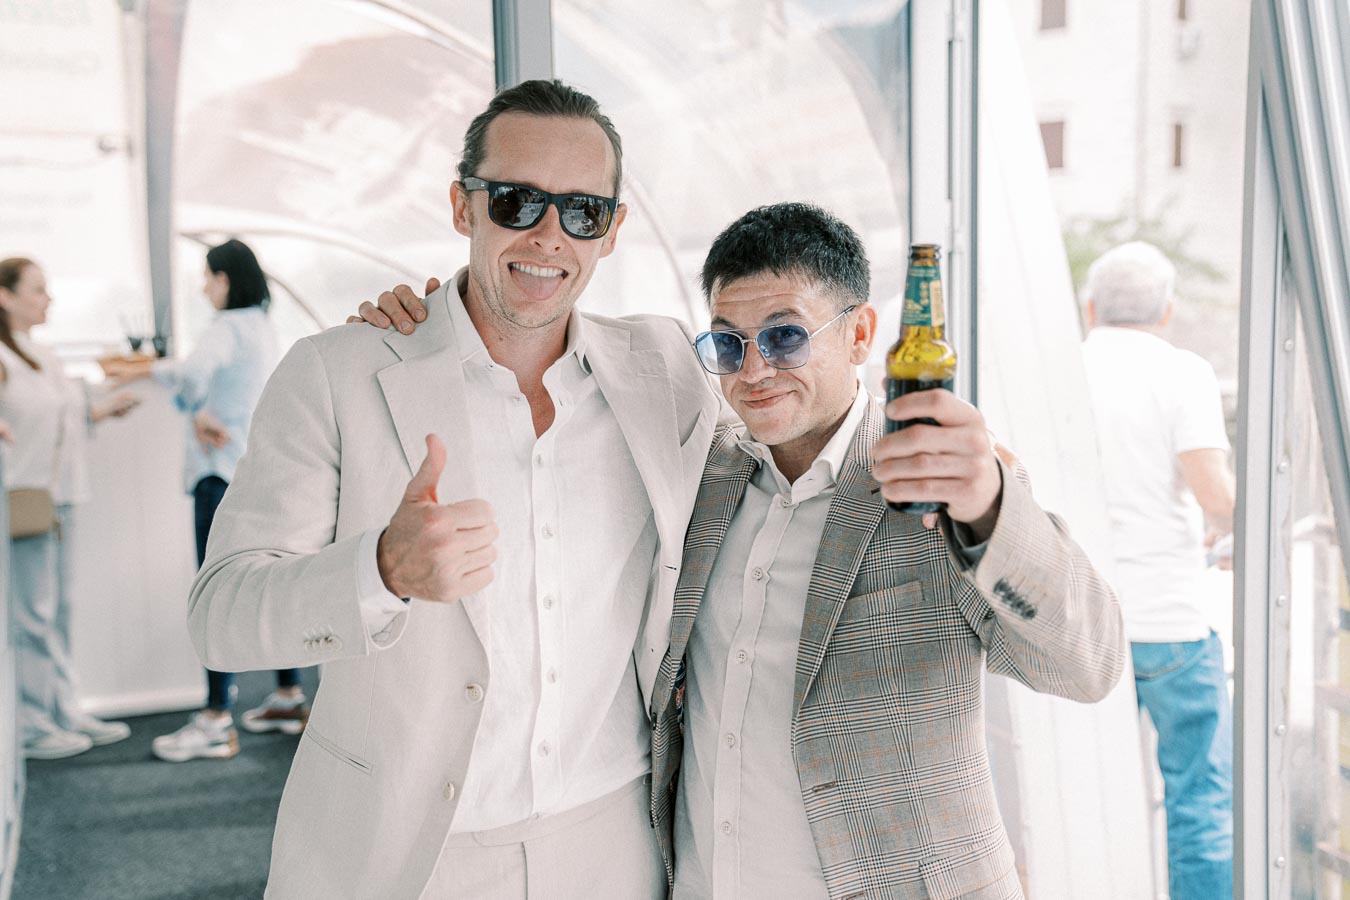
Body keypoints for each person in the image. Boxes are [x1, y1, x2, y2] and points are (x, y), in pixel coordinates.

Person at [363, 203, 1126, 898]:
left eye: (786, 336)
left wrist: (991, 503)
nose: (754, 370)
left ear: (860, 335)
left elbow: (1085, 664)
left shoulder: (940, 487)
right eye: (729, 344)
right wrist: (436, 320)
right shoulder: (700, 470)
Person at [184, 80, 721, 898]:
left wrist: (953, 466)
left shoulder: (669, 371)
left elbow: (789, 457)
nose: (549, 234)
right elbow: (221, 619)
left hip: (616, 846)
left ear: (611, 231)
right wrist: (380, 574)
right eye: (515, 201)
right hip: (410, 853)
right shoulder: (337, 373)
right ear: (462, 207)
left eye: (582, 211)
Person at [105, 239, 310, 761]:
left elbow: (195, 374)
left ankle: (217, 717)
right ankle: (288, 695)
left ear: (225, 279)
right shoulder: (262, 326)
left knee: (215, 595)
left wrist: (189, 405)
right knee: (269, 582)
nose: (203, 287)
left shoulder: (226, 327)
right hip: (257, 472)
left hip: (218, 475)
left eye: (208, 277)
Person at [1080, 241, 1235, 900]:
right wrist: (1222, 525)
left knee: (1088, 802)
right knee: (1198, 800)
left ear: (1089, 308)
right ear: (1167, 310)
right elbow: (1217, 498)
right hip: (1170, 623)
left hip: (1081, 622)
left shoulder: (1065, 369)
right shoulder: (1182, 372)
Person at [0, 257, 140, 760]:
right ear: (5, 296)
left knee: (58, 611)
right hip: (23, 498)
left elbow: (65, 417)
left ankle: (63, 708)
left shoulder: (42, 355)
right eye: (37, 290)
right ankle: (34, 725)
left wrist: (105, 409)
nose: (48, 298)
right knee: (31, 616)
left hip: (61, 498)